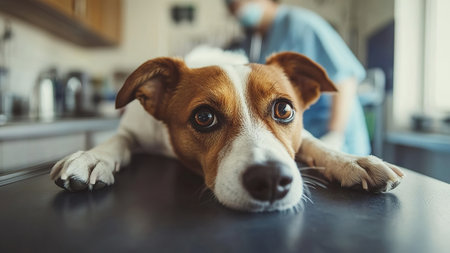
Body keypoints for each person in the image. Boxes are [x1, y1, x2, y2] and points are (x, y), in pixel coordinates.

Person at [225, 0, 371, 156]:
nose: (238, 8)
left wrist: (335, 136)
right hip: (302, 138)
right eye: (233, 6)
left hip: (335, 137)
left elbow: (344, 79)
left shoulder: (301, 25)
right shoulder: (255, 41)